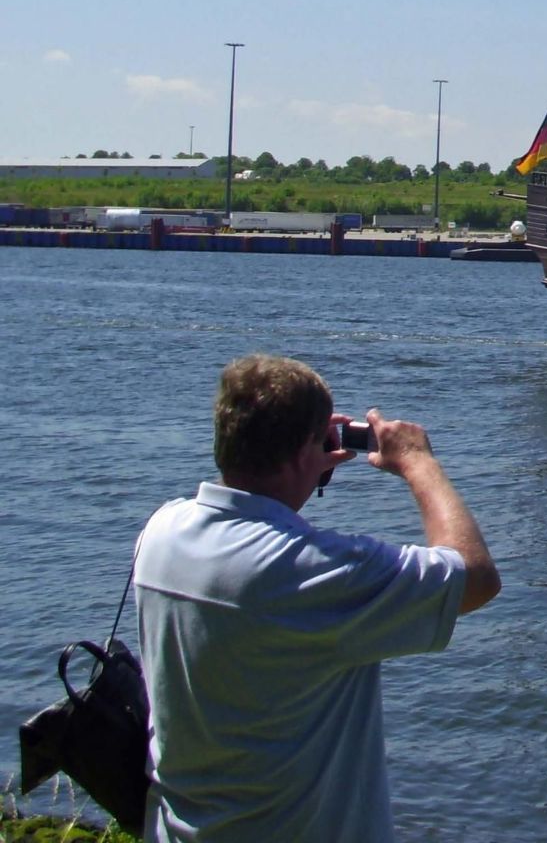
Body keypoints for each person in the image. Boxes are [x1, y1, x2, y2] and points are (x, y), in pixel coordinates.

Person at [135, 355, 501, 842]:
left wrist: (302, 460)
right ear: (306, 449)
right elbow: (474, 576)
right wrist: (418, 462)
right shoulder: (312, 574)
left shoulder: (161, 532)